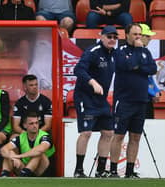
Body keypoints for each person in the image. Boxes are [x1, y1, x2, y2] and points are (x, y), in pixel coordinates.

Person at [110, 23, 157, 178]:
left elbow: (152, 68)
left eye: (139, 34)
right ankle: (113, 170)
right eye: (135, 34)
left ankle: (130, 171)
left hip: (141, 100)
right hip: (124, 100)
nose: (138, 37)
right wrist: (137, 55)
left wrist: (138, 66)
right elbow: (128, 65)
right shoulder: (120, 52)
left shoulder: (145, 51)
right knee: (119, 135)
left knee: (135, 136)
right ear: (127, 35)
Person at [73, 25, 118, 178]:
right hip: (85, 98)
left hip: (101, 100)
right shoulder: (93, 52)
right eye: (109, 37)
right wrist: (92, 82)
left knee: (108, 132)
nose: (112, 40)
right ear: (102, 37)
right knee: (86, 132)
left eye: (115, 37)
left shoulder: (114, 54)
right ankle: (79, 170)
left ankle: (100, 170)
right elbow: (78, 69)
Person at [0, 112, 55, 177]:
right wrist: (12, 157)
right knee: (9, 152)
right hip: (25, 169)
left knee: (39, 154)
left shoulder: (45, 136)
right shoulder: (21, 137)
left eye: (36, 123)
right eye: (31, 123)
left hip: (43, 172)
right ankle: (4, 177)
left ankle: (25, 174)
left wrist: (19, 156)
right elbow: (3, 149)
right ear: (25, 125)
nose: (35, 126)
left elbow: (40, 150)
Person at [12, 74, 52, 138]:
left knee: (46, 139)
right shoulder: (19, 103)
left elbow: (48, 125)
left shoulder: (46, 102)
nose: (35, 87)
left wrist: (35, 134)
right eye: (31, 85)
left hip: (41, 133)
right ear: (25, 87)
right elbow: (15, 126)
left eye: (36, 84)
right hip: (24, 133)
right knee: (13, 138)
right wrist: (26, 134)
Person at [139, 23, 161, 119]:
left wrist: (156, 90)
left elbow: (150, 74)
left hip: (147, 98)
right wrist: (153, 92)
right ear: (140, 36)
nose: (150, 39)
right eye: (147, 36)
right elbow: (140, 76)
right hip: (138, 99)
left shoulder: (146, 52)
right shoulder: (133, 54)